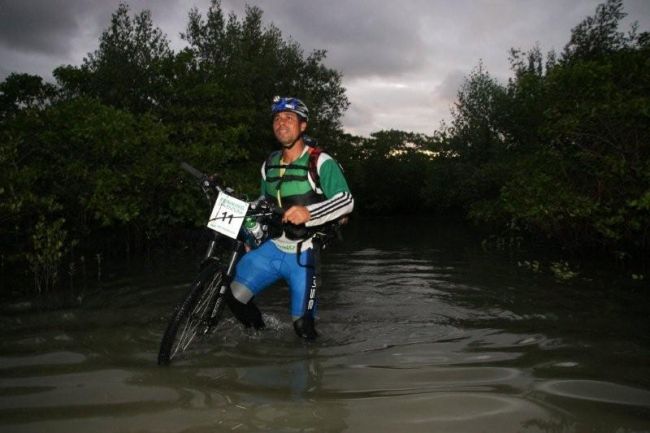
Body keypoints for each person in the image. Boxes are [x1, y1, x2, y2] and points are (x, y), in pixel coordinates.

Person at [227, 96, 354, 340]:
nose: (281, 123)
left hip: (304, 253)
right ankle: (261, 339)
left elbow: (347, 200)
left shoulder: (320, 161)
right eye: (277, 118)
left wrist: (309, 212)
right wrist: (249, 228)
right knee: (234, 298)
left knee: (303, 330)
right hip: (273, 247)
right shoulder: (269, 163)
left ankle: (311, 368)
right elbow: (264, 201)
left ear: (303, 125)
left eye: (289, 118)